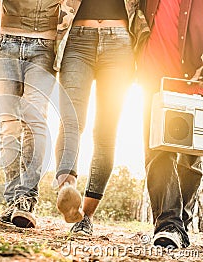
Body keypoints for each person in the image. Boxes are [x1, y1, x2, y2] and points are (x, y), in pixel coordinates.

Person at [54, 0, 139, 235]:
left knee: (105, 131)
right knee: (71, 120)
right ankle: (67, 190)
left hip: (120, 43)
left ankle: (86, 216)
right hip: (77, 38)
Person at [138, 0, 203, 249]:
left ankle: (177, 224)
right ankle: (168, 224)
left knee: (191, 158)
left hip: (193, 80)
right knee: (157, 151)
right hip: (153, 79)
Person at [0, 0, 59, 228]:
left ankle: (26, 199)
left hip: (45, 43)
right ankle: (11, 201)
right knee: (8, 123)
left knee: (34, 119)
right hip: (5, 39)